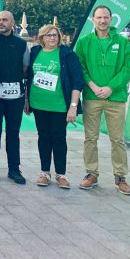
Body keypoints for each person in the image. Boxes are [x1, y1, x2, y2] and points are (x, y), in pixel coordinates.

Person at [75, 6, 130, 195]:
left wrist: (110, 88)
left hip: (115, 97)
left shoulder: (123, 42)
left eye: (106, 17)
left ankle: (120, 177)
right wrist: (92, 86)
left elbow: (127, 69)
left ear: (111, 19)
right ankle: (91, 174)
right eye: (99, 17)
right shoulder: (84, 42)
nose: (102, 21)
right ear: (93, 20)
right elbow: (80, 68)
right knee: (90, 138)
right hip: (92, 97)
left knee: (117, 139)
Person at [25, 24, 84, 189]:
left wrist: (73, 106)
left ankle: (61, 174)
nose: (52, 38)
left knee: (58, 138)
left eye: (55, 35)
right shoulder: (35, 52)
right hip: (38, 104)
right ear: (42, 37)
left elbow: (77, 81)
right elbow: (29, 77)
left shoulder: (67, 54)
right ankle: (44, 172)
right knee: (43, 137)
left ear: (59, 38)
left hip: (59, 106)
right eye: (48, 35)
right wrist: (27, 100)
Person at [0, 11, 29, 184]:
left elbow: (26, 68)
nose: (1, 23)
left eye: (5, 20)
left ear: (12, 22)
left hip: (15, 97)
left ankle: (14, 169)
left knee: (13, 133)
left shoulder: (22, 44)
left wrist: (25, 97)